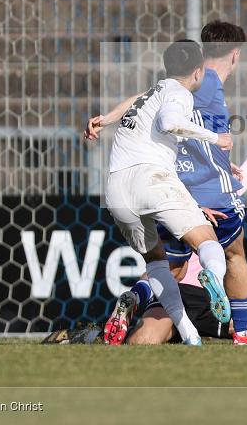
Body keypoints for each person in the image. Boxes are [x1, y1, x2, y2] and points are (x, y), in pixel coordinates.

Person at [103, 21, 247, 346]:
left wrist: (107, 118)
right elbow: (175, 123)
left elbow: (144, 101)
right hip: (196, 195)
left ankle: (140, 299)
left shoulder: (173, 88)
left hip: (136, 189)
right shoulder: (207, 83)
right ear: (235, 56)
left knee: (167, 268)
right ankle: (240, 331)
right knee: (233, 254)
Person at [88, 39, 233, 346]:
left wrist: (106, 119)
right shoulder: (180, 93)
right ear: (198, 72)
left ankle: (190, 335)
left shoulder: (156, 90)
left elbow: (134, 100)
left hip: (116, 190)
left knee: (157, 263)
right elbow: (170, 123)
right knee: (206, 241)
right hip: (151, 178)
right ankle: (215, 279)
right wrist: (214, 138)